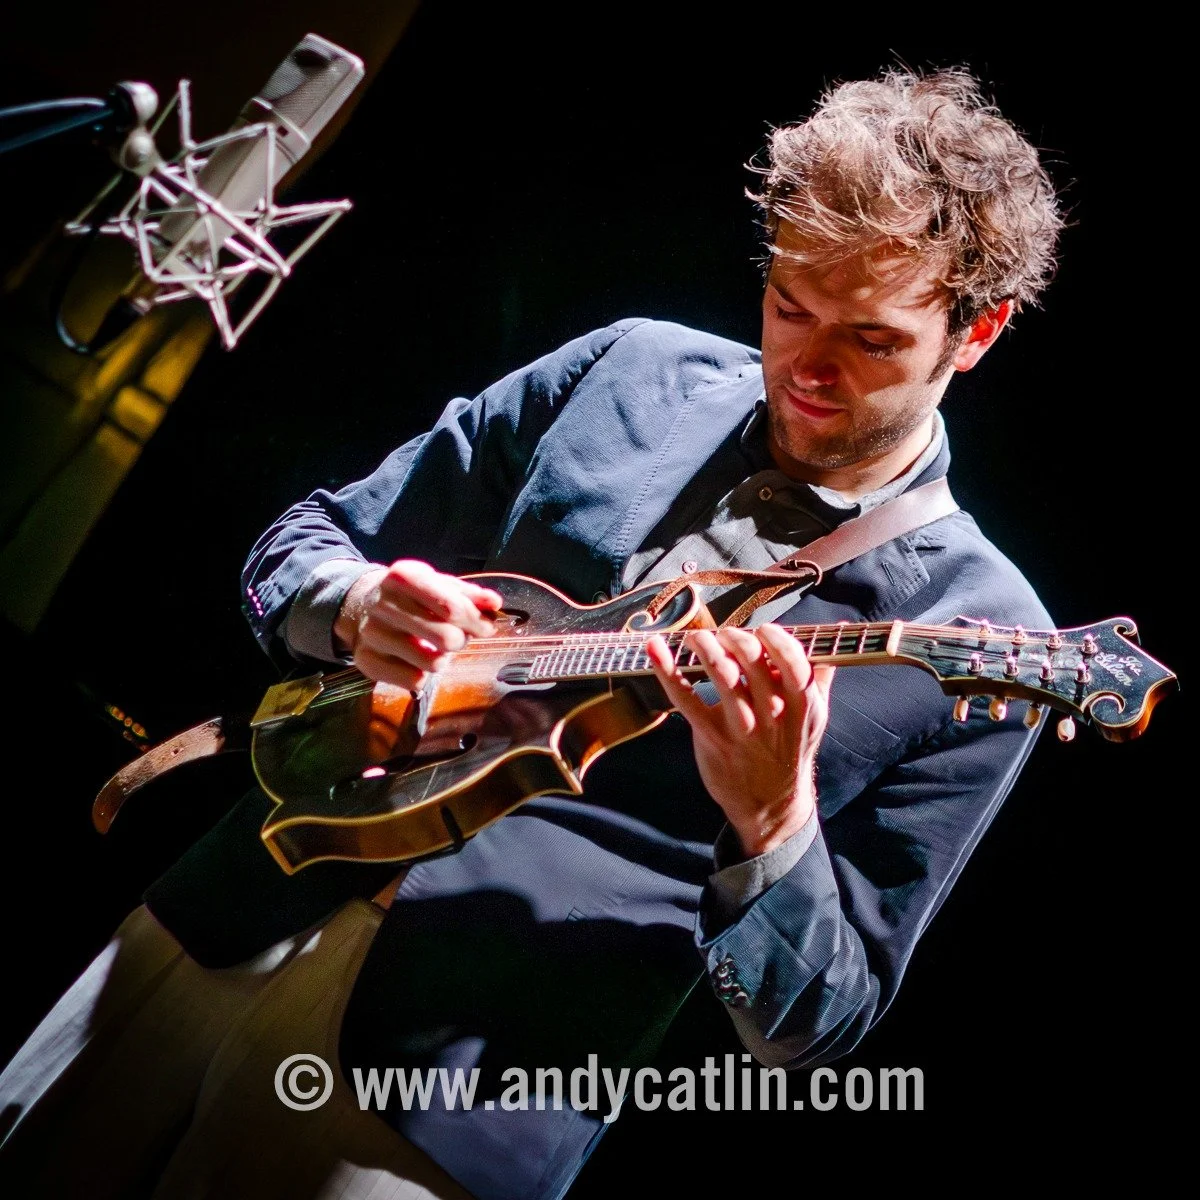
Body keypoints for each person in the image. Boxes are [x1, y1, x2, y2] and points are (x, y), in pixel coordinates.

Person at [0, 67, 1064, 1199]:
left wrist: (774, 822)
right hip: (232, 904)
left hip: (462, 1099)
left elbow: (817, 1020)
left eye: (870, 339)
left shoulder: (986, 632)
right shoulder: (628, 368)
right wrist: (355, 605)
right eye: (790, 302)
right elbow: (303, 544)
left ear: (976, 330)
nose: (806, 365)